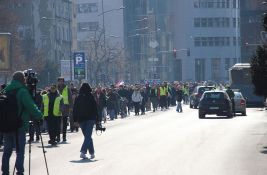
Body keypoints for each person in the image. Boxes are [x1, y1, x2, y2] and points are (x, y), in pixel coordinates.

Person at [1, 71, 43, 175]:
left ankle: (5, 172)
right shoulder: (22, 92)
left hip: (6, 125)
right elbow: (31, 106)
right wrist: (39, 116)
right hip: (19, 125)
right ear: (22, 79)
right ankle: (19, 171)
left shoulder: (6, 90)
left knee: (7, 151)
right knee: (20, 151)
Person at [73, 83, 98, 159]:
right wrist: (98, 119)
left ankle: (88, 152)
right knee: (88, 136)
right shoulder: (91, 96)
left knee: (87, 136)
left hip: (81, 119)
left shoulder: (78, 97)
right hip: (91, 119)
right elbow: (95, 108)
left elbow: (75, 110)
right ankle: (89, 152)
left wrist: (75, 120)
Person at [57, 77, 73, 142]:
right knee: (57, 123)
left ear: (63, 82)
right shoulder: (56, 88)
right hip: (57, 108)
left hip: (65, 108)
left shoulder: (67, 89)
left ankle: (64, 137)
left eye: (62, 81)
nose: (60, 82)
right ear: (58, 82)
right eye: (59, 81)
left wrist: (71, 107)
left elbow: (70, 98)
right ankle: (58, 137)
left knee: (64, 123)